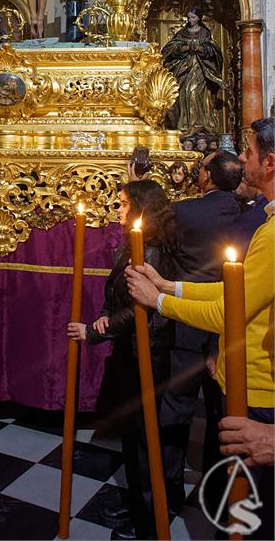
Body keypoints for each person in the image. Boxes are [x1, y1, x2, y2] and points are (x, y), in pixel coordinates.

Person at [126, 117, 274, 540]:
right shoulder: (264, 221)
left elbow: (231, 309)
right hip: (243, 381)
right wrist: (168, 286)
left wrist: (157, 301)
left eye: (247, 151)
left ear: (269, 162)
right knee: (239, 511)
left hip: (260, 392)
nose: (242, 158)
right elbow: (231, 293)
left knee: (252, 521)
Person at [68, 180, 176, 539]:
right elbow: (117, 292)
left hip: (147, 351)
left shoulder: (153, 251)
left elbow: (140, 310)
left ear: (141, 207)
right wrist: (102, 313)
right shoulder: (133, 245)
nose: (117, 209)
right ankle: (135, 501)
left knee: (144, 438)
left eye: (123, 203)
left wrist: (95, 331)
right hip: (129, 351)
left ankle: (147, 518)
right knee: (131, 436)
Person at [158, 149, 243, 512]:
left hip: (191, 315)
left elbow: (161, 237)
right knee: (222, 410)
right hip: (232, 321)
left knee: (177, 405)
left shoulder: (186, 211)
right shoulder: (249, 213)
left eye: (200, 168)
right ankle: (217, 489)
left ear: (207, 176)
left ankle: (168, 493)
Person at [162, 7, 226, 136]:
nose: (190, 20)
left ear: (199, 18)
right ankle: (185, 125)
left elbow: (213, 50)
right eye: (189, 17)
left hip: (201, 68)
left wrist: (201, 48)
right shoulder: (182, 33)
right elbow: (170, 48)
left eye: (193, 17)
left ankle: (200, 124)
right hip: (184, 68)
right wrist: (184, 48)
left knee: (196, 92)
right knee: (185, 93)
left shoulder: (204, 33)